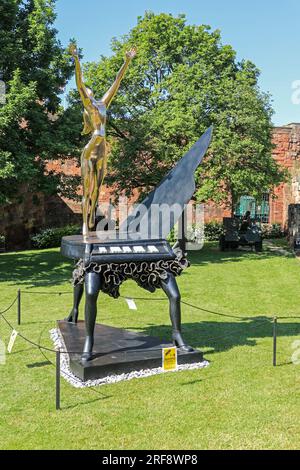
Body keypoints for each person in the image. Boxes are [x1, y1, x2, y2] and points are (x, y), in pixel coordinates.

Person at [69, 43, 136, 240]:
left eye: (90, 90)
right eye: (86, 91)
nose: (88, 91)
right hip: (90, 150)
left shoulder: (103, 103)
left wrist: (127, 61)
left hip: (102, 149)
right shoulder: (88, 106)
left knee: (97, 191)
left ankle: (91, 221)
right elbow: (79, 83)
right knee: (87, 190)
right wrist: (76, 60)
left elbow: (118, 80)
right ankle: (84, 223)